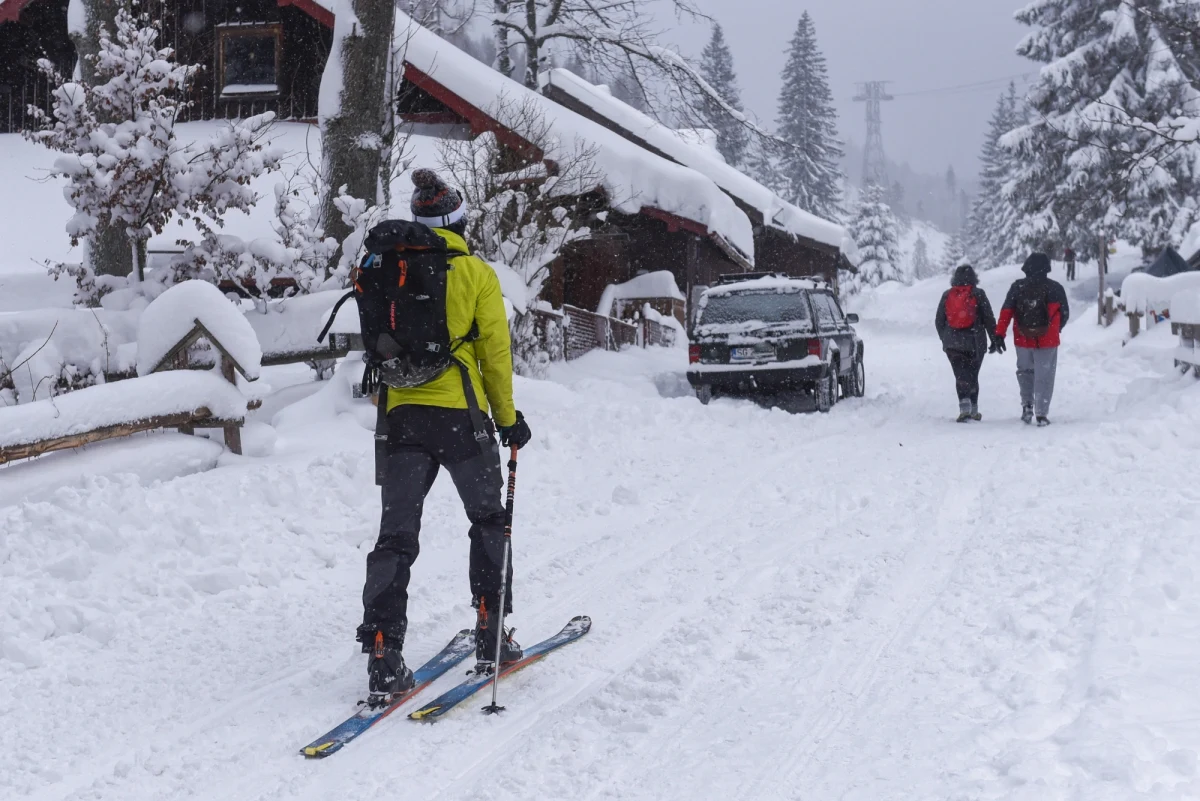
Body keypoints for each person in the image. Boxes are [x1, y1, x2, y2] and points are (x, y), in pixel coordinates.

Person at [357, 169, 533, 696]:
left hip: (400, 417)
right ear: (461, 221)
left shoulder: (389, 266)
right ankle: (490, 629)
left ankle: (384, 651)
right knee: (487, 520)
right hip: (461, 417)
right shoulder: (475, 272)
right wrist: (508, 419)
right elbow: (494, 356)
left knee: (395, 537)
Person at [994, 252, 1070, 426]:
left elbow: (1006, 312)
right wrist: (1054, 330)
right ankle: (1041, 414)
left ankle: (1027, 405)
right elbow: (1065, 313)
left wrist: (1000, 334)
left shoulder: (1017, 287)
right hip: (1048, 340)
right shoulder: (1056, 288)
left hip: (1023, 338)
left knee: (1025, 372)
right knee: (1045, 375)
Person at [935, 264, 1002, 422]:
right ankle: (973, 410)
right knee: (972, 375)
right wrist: (995, 338)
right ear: (974, 278)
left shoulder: (947, 295)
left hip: (953, 344)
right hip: (974, 342)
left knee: (960, 375)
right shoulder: (978, 294)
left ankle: (964, 408)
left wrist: (945, 339)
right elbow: (989, 319)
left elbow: (939, 321)